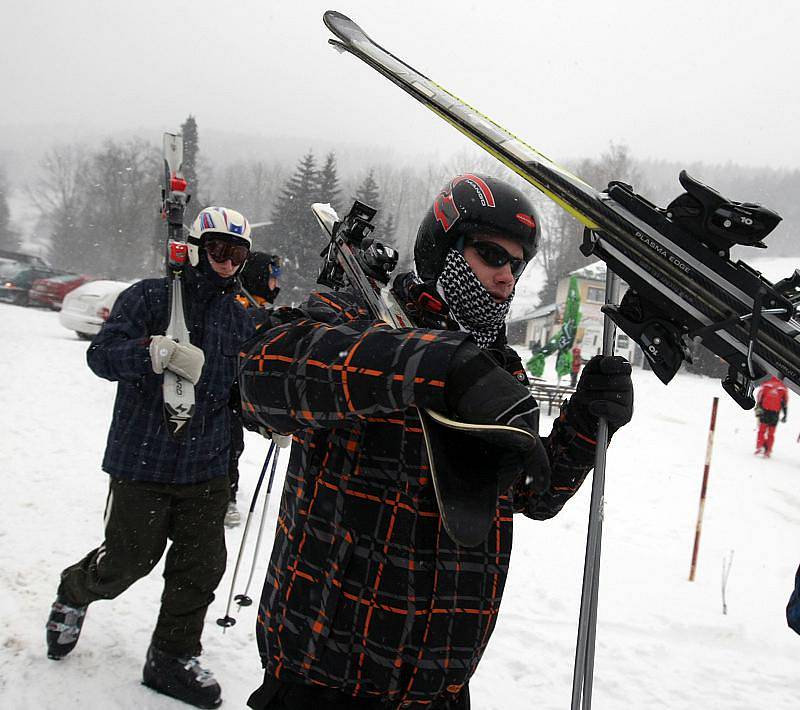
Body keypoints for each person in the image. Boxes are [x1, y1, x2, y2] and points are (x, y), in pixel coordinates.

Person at [239, 174, 634, 709]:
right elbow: (262, 379)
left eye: (516, 265)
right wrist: (436, 364)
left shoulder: (501, 370)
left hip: (438, 681)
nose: (505, 276)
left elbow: (530, 493)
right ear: (444, 247)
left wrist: (586, 423)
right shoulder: (357, 319)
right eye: (492, 254)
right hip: (326, 670)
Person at [46, 206, 257, 709]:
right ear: (197, 248)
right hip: (143, 461)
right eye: (218, 251)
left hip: (207, 466)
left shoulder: (242, 317)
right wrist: (151, 353)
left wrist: (263, 420)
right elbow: (101, 356)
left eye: (237, 254)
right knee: (127, 561)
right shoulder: (149, 295)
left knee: (201, 567)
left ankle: (171, 656)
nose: (226, 263)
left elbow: (237, 395)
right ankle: (75, 592)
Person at [225, 251, 283, 527]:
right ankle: (225, 498)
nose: (276, 284)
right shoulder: (240, 307)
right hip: (224, 393)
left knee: (231, 443)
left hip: (236, 396)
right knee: (226, 443)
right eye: (273, 277)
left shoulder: (257, 307)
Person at [754, 375, 788, 457]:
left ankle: (760, 446)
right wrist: (785, 415)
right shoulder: (783, 388)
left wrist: (758, 409)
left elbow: (759, 398)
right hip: (775, 413)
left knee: (762, 430)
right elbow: (785, 403)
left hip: (765, 411)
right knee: (771, 433)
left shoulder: (766, 385)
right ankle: (768, 450)